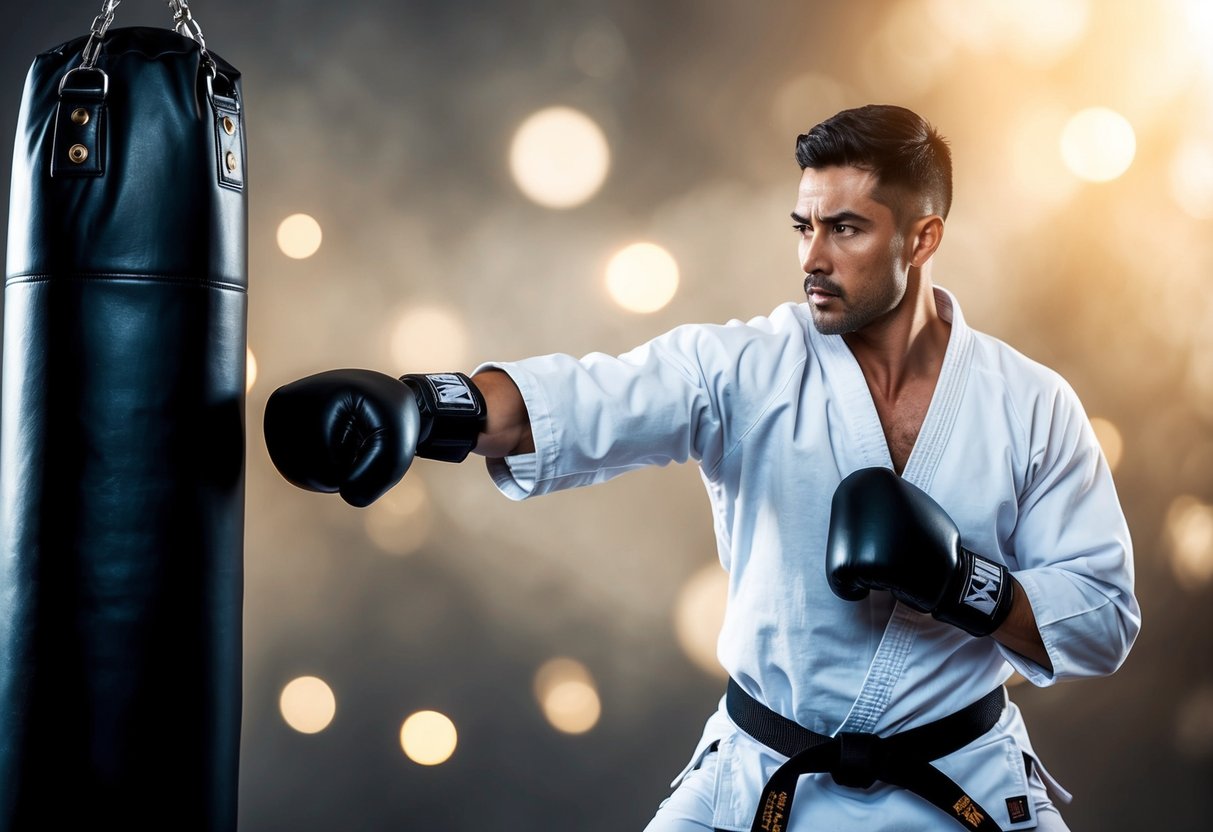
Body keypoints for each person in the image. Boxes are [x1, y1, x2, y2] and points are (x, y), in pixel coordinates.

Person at [262, 104, 1140, 831]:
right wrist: (426, 407)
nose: (812, 258)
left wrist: (962, 584)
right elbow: (591, 399)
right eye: (803, 227)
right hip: (763, 779)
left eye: (845, 229)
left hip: (965, 785)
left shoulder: (1031, 403)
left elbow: (1102, 618)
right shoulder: (742, 368)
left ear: (921, 238)